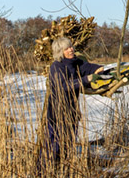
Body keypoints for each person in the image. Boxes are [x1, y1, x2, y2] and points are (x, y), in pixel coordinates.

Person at [41, 36, 104, 166]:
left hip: (72, 110)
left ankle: (63, 167)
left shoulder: (75, 63)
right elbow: (63, 86)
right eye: (67, 48)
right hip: (57, 111)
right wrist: (86, 80)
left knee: (69, 141)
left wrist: (98, 68)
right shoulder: (56, 67)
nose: (71, 49)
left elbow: (87, 67)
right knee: (54, 142)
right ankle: (45, 169)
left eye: (71, 46)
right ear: (60, 52)